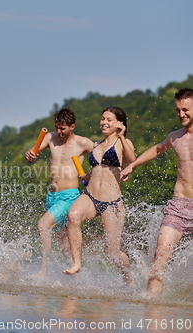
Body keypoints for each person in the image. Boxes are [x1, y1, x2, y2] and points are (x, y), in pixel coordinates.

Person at [120, 87, 193, 298]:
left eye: (186, 109)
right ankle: (152, 306)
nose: (181, 114)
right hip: (179, 205)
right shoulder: (175, 137)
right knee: (160, 254)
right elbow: (157, 149)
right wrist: (132, 166)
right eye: (178, 110)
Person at [63, 106, 136, 286]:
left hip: (112, 202)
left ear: (120, 123)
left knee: (112, 253)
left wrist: (122, 136)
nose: (104, 122)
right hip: (90, 196)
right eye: (102, 118)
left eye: (109, 119)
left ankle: (128, 277)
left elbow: (133, 161)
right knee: (73, 216)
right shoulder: (96, 145)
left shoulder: (123, 143)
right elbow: (98, 171)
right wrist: (86, 176)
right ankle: (77, 263)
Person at [25, 107, 93, 277]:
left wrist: (92, 176)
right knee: (63, 243)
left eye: (63, 128)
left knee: (43, 226)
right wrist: (30, 155)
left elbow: (102, 157)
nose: (59, 131)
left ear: (72, 127)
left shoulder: (83, 143)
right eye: (57, 127)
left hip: (70, 195)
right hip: (52, 196)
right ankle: (78, 277)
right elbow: (34, 152)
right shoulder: (50, 137)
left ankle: (43, 271)